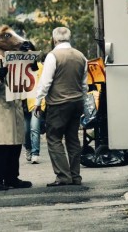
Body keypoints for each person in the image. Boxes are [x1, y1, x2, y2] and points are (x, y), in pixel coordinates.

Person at [34, 26, 88, 186]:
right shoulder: (81, 56)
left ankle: (63, 176)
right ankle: (75, 176)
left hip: (58, 103)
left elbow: (45, 82)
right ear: (69, 38)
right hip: (77, 102)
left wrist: (38, 102)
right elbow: (84, 84)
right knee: (73, 139)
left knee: (54, 138)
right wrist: (83, 103)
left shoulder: (53, 56)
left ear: (54, 39)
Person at [0, 26, 33, 191]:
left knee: (15, 143)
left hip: (15, 104)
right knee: (1, 144)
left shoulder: (14, 58)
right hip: (2, 107)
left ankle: (12, 177)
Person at [23, 61, 46, 164]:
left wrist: (42, 102)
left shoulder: (40, 66)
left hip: (35, 102)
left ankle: (35, 153)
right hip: (23, 103)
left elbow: (44, 84)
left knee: (34, 128)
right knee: (26, 130)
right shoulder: (19, 67)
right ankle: (28, 148)